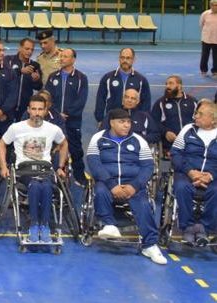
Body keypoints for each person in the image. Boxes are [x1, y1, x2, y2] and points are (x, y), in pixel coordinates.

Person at [86, 108, 167, 265]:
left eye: (128, 122)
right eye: (122, 122)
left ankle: (150, 245)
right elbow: (94, 164)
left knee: (144, 205)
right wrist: (112, 184)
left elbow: (148, 166)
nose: (126, 125)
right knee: (100, 190)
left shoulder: (139, 140)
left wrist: (134, 186)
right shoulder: (98, 138)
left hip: (133, 183)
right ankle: (109, 224)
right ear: (112, 123)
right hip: (107, 182)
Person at [0, 95, 68, 243]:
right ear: (28, 110)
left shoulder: (53, 129)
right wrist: (3, 166)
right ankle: (34, 225)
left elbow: (64, 144)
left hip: (45, 168)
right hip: (25, 169)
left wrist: (61, 166)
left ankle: (45, 225)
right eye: (34, 109)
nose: (37, 113)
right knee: (35, 185)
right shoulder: (16, 128)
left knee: (47, 186)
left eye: (40, 109)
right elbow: (2, 143)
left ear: (45, 111)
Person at [172, 99, 217, 245]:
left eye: (200, 114)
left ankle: (204, 228)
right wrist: (190, 172)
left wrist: (211, 176)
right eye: (196, 113)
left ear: (213, 119)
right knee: (181, 187)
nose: (195, 116)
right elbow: (176, 153)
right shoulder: (188, 129)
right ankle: (188, 227)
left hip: (212, 176)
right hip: (186, 173)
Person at [44, 48, 88, 184]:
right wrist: (57, 114)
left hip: (72, 121)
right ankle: (52, 173)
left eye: (65, 56)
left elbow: (81, 100)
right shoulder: (53, 77)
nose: (62, 58)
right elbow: (47, 98)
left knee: (75, 149)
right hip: (54, 120)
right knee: (52, 146)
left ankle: (79, 176)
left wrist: (67, 113)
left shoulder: (81, 78)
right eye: (61, 56)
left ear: (73, 59)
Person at [94, 48, 151, 124]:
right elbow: (100, 99)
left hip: (133, 120)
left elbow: (146, 103)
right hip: (113, 119)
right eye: (122, 57)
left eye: (128, 58)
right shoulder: (108, 78)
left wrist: (143, 121)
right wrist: (100, 119)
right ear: (119, 59)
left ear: (133, 60)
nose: (125, 60)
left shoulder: (141, 80)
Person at [151, 75, 197, 153]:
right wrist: (165, 132)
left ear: (179, 86)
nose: (167, 86)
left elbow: (198, 120)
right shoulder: (160, 103)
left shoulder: (192, 101)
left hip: (191, 143)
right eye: (166, 84)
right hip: (170, 145)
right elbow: (154, 122)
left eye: (171, 83)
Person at [200, 0, 217, 77]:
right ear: (211, 5)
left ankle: (215, 71)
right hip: (206, 39)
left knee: (216, 56)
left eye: (216, 5)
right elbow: (201, 24)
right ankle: (203, 70)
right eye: (214, 5)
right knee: (204, 56)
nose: (215, 7)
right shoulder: (205, 14)